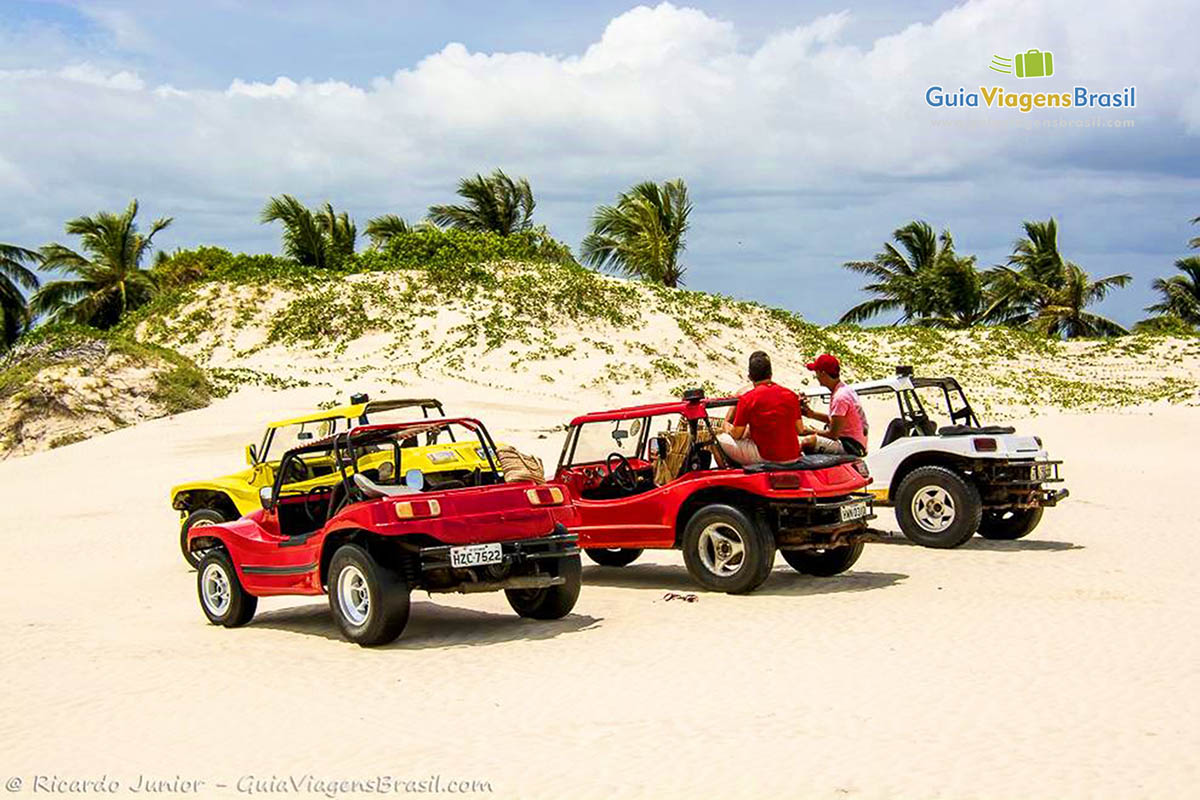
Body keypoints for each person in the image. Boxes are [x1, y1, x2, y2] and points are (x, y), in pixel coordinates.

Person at [716, 351, 801, 465]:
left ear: (750, 377)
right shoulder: (790, 395)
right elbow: (800, 429)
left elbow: (737, 434)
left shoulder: (747, 398)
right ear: (770, 374)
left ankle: (727, 472)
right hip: (793, 455)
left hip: (767, 457)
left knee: (717, 439)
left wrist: (726, 426)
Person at [799, 353, 868, 456]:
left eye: (816, 372)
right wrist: (811, 414)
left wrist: (808, 431)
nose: (816, 376)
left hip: (851, 445)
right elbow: (837, 421)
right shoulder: (844, 390)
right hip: (854, 442)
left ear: (822, 373)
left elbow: (833, 434)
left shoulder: (840, 397)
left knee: (808, 443)